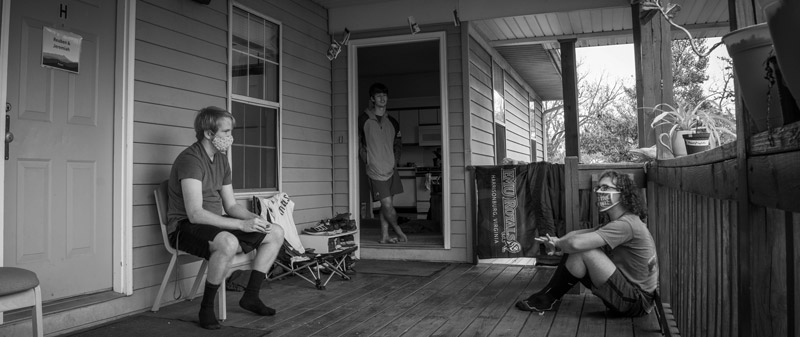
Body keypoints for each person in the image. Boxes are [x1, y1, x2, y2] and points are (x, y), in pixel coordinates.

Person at [167, 106, 285, 330]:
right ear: (208, 133)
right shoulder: (190, 160)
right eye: (226, 132)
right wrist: (241, 225)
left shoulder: (221, 160)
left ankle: (251, 296)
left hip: (211, 221)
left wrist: (255, 219)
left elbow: (230, 205)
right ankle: (206, 308)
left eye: (231, 131)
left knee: (275, 232)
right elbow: (195, 214)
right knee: (228, 242)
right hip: (184, 227)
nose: (231, 137)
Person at [516, 170, 658, 317]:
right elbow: (577, 235)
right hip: (628, 293)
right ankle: (547, 298)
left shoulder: (626, 225)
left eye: (605, 188)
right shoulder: (617, 221)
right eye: (599, 188)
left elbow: (576, 243)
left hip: (637, 301)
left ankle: (547, 298)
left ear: (622, 194)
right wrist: (557, 241)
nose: (599, 192)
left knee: (583, 250)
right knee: (579, 246)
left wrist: (559, 244)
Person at [358, 83, 408, 244]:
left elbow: (398, 144)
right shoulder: (363, 120)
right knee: (386, 205)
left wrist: (395, 161)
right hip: (375, 170)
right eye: (378, 96)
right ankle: (399, 231)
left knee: (387, 205)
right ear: (372, 99)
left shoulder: (392, 121)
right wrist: (368, 160)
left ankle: (384, 236)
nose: (382, 99)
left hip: (391, 169)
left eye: (384, 96)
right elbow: (358, 143)